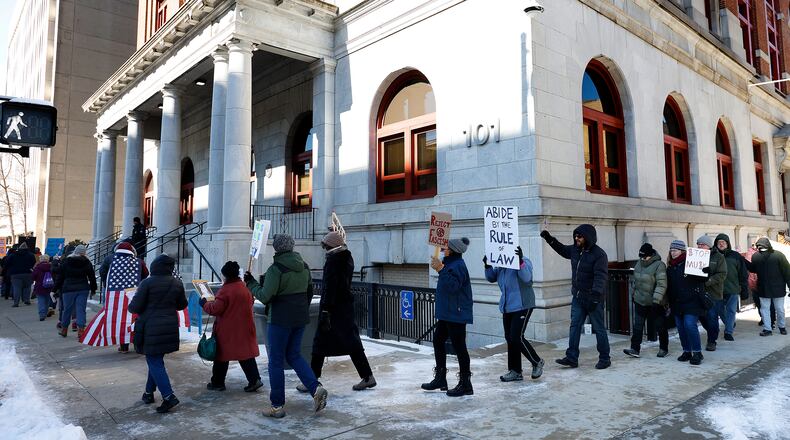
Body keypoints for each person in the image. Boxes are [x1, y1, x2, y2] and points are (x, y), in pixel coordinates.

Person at [245, 234, 328, 418]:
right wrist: (300, 310)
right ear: (291, 246)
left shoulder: (276, 269)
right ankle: (315, 388)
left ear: (276, 248)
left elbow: (265, 296)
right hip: (299, 318)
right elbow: (309, 292)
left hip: (280, 320)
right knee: (294, 355)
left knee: (275, 361)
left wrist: (250, 283)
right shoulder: (304, 266)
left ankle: (277, 406)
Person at [302, 230, 376, 392]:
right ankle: (368, 376)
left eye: (326, 246)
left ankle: (312, 380)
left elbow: (330, 287)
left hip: (332, 309)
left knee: (319, 344)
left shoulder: (333, 261)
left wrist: (326, 309)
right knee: (352, 343)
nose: (324, 249)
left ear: (331, 246)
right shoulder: (346, 258)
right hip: (345, 308)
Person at [540, 225, 611, 369]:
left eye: (579, 237)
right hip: (578, 297)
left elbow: (600, 277)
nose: (576, 239)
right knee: (574, 326)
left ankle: (605, 358)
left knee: (599, 328)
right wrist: (549, 239)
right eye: (575, 236)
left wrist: (596, 297)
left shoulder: (599, 255)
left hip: (593, 299)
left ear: (588, 238)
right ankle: (572, 357)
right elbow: (562, 249)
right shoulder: (575, 250)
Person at [128, 254, 186, 413]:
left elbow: (135, 307)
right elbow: (182, 305)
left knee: (154, 360)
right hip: (169, 326)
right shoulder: (177, 282)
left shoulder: (147, 283)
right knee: (155, 359)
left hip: (151, 327)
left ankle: (168, 396)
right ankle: (148, 393)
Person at [422, 237, 474, 397]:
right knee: (438, 340)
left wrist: (441, 269)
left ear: (452, 250)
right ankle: (440, 378)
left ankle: (466, 384)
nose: (443, 248)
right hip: (447, 313)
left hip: (456, 313)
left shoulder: (458, 265)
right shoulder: (450, 263)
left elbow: (453, 286)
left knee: (460, 348)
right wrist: (441, 267)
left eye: (446, 246)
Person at [200, 261, 263, 393]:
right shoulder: (245, 287)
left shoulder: (226, 290)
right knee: (246, 355)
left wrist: (204, 304)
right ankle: (254, 379)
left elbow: (215, 309)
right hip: (245, 327)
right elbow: (250, 301)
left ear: (226, 276)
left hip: (228, 330)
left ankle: (217, 382)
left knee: (221, 356)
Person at [484, 245, 544, 381]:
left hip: (523, 304)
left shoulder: (524, 260)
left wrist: (519, 262)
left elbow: (527, 278)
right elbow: (492, 277)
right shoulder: (501, 264)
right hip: (508, 306)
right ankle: (515, 371)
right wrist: (487, 266)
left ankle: (537, 361)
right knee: (510, 338)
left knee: (517, 337)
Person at [87, 241, 148, 352]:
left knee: (118, 318)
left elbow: (102, 272)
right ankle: (137, 343)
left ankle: (123, 345)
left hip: (113, 293)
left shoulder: (110, 259)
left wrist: (108, 282)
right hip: (133, 293)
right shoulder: (139, 261)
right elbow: (146, 274)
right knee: (134, 317)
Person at [665, 240, 708, 365]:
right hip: (677, 302)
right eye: (671, 250)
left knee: (689, 325)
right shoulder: (671, 267)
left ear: (682, 251)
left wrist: (706, 272)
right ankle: (687, 351)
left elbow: (701, 278)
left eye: (675, 250)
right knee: (681, 327)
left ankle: (697, 352)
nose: (673, 253)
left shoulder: (690, 264)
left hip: (692, 301)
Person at [624, 243, 669, 358]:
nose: (643, 259)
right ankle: (635, 349)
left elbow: (661, 284)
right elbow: (636, 281)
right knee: (638, 326)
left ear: (651, 255)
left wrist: (656, 300)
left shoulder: (659, 265)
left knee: (660, 326)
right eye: (641, 257)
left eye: (645, 257)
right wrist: (633, 294)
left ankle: (663, 348)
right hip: (640, 300)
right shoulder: (639, 263)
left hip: (655, 302)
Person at [746, 237, 790, 336]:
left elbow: (753, 269)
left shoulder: (756, 256)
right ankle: (781, 327)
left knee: (765, 309)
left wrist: (744, 262)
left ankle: (768, 329)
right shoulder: (779, 255)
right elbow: (787, 272)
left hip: (763, 288)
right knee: (779, 309)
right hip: (777, 288)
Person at [54, 245, 97, 338]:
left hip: (68, 289)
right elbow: (92, 277)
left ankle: (64, 329)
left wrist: (55, 288)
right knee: (81, 310)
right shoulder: (87, 262)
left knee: (67, 309)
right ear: (84, 252)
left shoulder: (66, 261)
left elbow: (60, 277)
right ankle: (81, 330)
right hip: (83, 288)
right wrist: (93, 289)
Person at [695, 235, 727, 352]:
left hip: (713, 293)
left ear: (708, 246)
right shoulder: (694, 256)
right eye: (698, 244)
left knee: (712, 317)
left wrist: (708, 280)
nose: (699, 246)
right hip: (698, 292)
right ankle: (712, 332)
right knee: (702, 317)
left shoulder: (718, 257)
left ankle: (711, 341)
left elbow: (722, 274)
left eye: (702, 244)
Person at [714, 234, 748, 341]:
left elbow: (743, 273)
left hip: (732, 288)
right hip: (716, 289)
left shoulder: (735, 256)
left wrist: (744, 289)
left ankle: (728, 332)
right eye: (719, 242)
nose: (721, 244)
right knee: (720, 310)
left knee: (731, 310)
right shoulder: (712, 255)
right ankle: (730, 323)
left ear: (728, 244)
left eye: (724, 242)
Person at [6, 242, 36, 307]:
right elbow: (34, 262)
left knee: (17, 288)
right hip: (28, 273)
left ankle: (16, 303)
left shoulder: (13, 255)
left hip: (15, 274)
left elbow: (7, 263)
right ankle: (26, 300)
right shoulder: (30, 255)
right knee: (27, 287)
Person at [31, 254, 55, 321]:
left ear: (41, 259)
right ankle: (46, 312)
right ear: (47, 260)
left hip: (40, 286)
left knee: (41, 301)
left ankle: (42, 315)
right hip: (49, 286)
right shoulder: (51, 267)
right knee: (47, 300)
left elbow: (33, 276)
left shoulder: (38, 267)